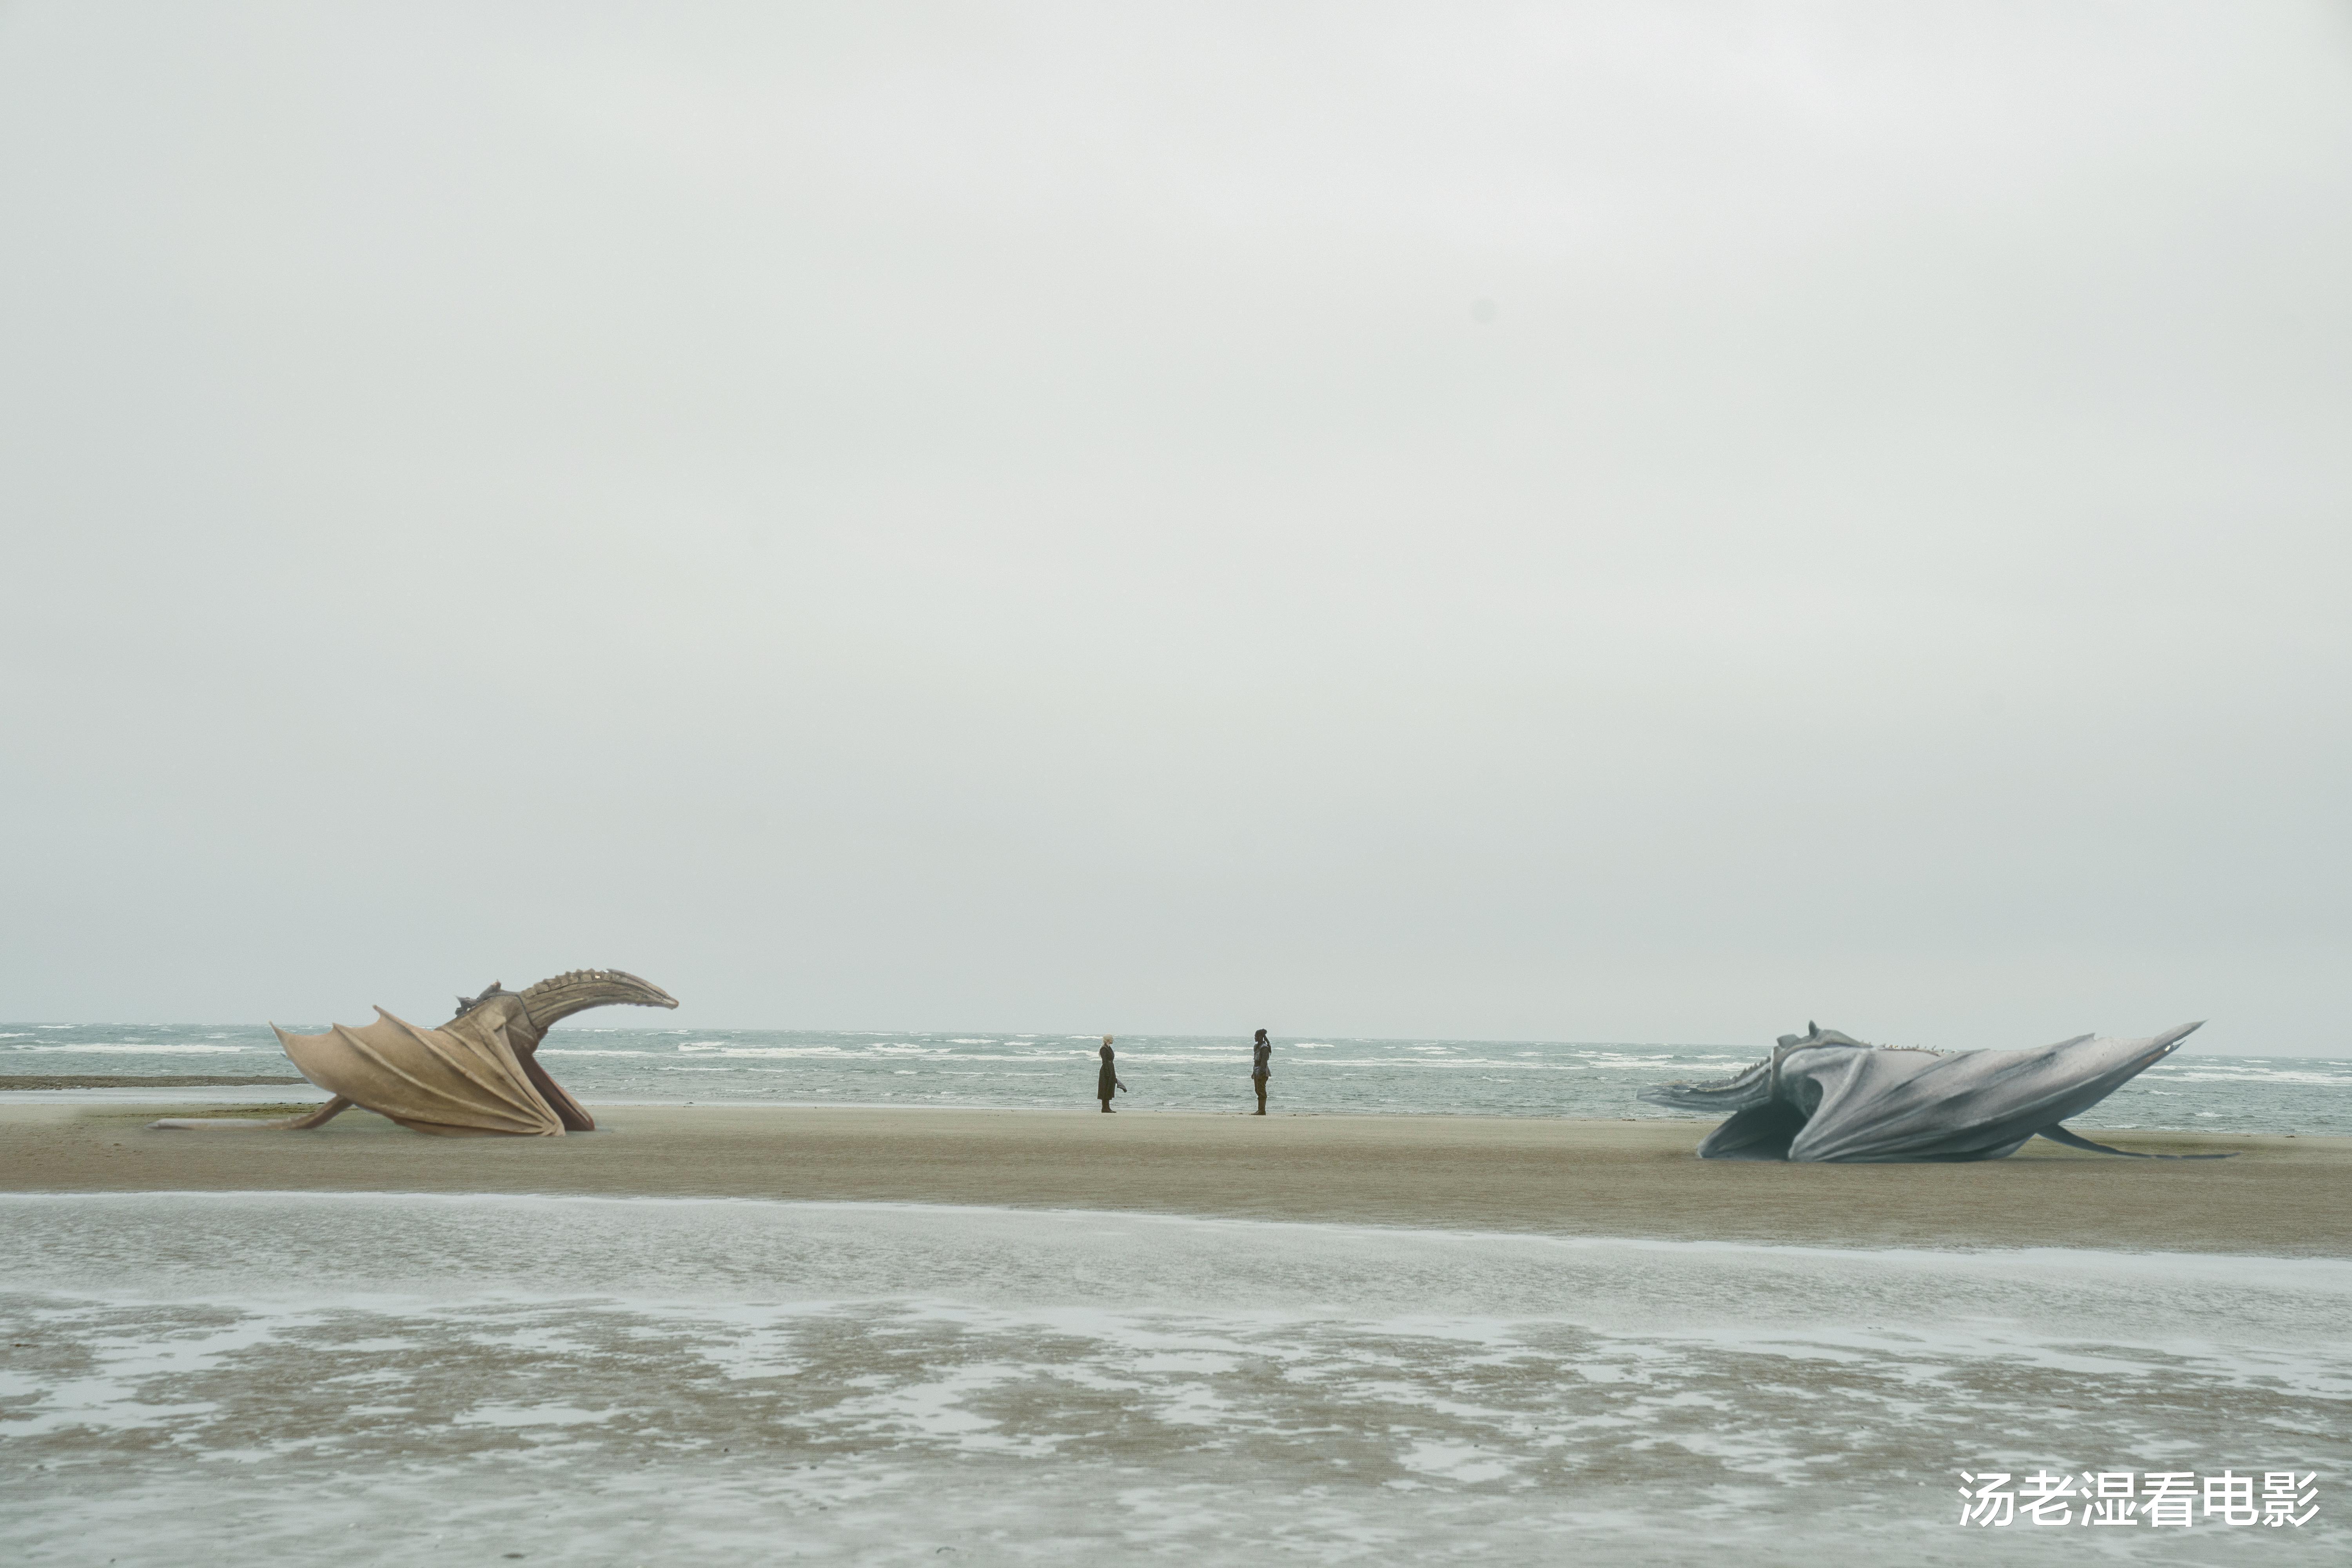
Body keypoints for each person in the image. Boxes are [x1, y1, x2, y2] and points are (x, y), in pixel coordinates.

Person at [1097, 1036, 1127, 1112]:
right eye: (1111, 1039)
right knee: (1105, 1089)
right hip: (1106, 1070)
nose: (1113, 1040)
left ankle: (1108, 1108)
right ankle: (1104, 1108)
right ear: (1108, 1040)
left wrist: (1111, 1072)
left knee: (1109, 1088)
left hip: (1111, 1069)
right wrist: (1107, 1073)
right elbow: (1104, 1062)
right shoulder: (1104, 1049)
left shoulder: (1109, 1048)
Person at [1249, 1028, 1271, 1114]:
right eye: (1255, 1036)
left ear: (1261, 1037)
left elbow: (1264, 1062)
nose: (1255, 1038)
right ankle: (1260, 1110)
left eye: (1257, 1036)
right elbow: (1256, 1061)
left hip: (1263, 1072)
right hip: (1256, 1071)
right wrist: (1254, 1073)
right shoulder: (1256, 1047)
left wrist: (1261, 1073)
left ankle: (1262, 1110)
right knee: (1257, 1090)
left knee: (1262, 1091)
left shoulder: (1265, 1048)